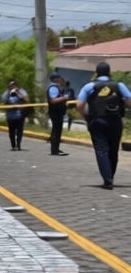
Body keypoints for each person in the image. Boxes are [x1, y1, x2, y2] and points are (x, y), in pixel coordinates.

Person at [75, 61, 131, 190]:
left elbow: (79, 105)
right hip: (115, 121)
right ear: (109, 72)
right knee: (113, 149)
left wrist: (86, 118)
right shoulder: (119, 85)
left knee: (101, 150)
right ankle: (110, 175)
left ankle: (108, 179)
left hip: (97, 121)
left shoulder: (89, 86)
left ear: (97, 73)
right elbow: (129, 101)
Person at [1, 79, 28, 151]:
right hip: (10, 115)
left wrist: (18, 92)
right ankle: (13, 145)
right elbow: (4, 101)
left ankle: (18, 145)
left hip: (19, 115)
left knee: (19, 131)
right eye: (10, 85)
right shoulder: (6, 93)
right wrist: (9, 93)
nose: (12, 86)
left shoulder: (21, 91)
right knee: (11, 131)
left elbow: (26, 100)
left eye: (13, 85)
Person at [46, 72, 69, 156]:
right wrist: (64, 98)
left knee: (58, 130)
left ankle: (56, 148)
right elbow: (53, 100)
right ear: (55, 79)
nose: (60, 79)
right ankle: (54, 150)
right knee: (56, 130)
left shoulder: (57, 87)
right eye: (59, 78)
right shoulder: (53, 88)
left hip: (58, 112)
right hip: (55, 112)